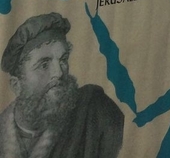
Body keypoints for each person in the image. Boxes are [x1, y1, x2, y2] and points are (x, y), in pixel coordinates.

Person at [0, 13, 123, 158]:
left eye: (63, 60)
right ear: (16, 85)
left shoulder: (93, 109)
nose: (59, 72)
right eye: (44, 65)